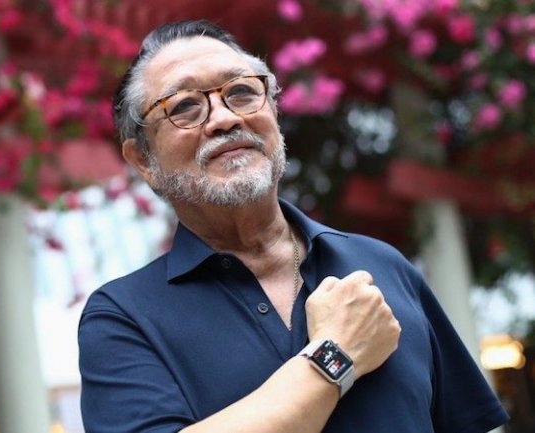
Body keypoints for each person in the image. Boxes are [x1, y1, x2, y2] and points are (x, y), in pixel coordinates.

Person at [78, 20, 509, 433]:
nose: (225, 118)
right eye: (184, 107)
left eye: (242, 92)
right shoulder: (122, 318)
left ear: (273, 111)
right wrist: (335, 353)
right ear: (143, 160)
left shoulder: (382, 265)